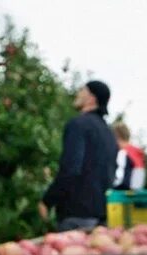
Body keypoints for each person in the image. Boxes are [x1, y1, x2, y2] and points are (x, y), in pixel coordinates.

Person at [39, 80, 119, 230]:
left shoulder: (78, 125)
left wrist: (47, 200)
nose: (77, 93)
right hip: (101, 216)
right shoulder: (109, 133)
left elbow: (71, 168)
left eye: (82, 90)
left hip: (76, 214)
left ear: (91, 98)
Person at [111, 122, 146, 191]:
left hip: (124, 194)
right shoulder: (136, 152)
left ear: (117, 137)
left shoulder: (123, 153)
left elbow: (120, 180)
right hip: (136, 192)